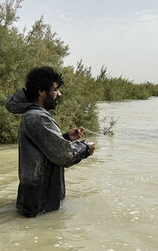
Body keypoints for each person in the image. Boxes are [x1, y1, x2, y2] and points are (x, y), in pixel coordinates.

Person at [6, 66, 95, 217]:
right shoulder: (37, 117)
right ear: (41, 91)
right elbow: (64, 156)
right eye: (55, 90)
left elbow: (45, 150)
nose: (59, 94)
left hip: (37, 196)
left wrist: (65, 138)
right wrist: (85, 148)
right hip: (40, 199)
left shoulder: (33, 115)